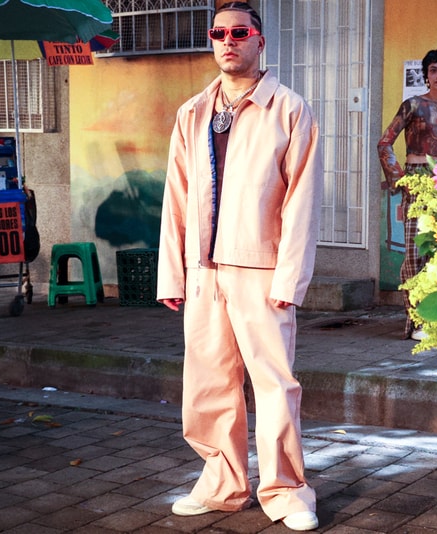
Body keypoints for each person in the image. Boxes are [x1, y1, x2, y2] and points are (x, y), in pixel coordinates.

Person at [156, 2, 322, 531]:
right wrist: (173, 273)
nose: (228, 41)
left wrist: (291, 279)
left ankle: (288, 491)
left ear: (259, 41)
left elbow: (302, 200)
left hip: (261, 266)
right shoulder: (192, 112)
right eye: (219, 33)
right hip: (204, 270)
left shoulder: (289, 109)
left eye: (239, 32)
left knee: (274, 384)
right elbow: (176, 198)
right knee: (207, 382)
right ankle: (223, 484)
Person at [377, 49, 437, 341]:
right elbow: (384, 143)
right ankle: (417, 321)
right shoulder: (412, 105)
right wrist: (400, 179)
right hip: (418, 179)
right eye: (434, 69)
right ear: (426, 74)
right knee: (415, 250)